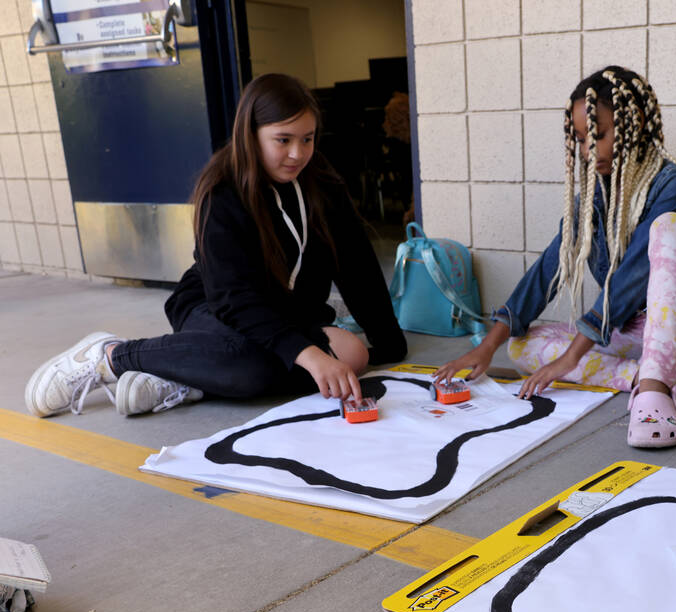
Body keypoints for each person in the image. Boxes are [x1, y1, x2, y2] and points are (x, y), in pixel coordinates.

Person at [25, 74, 406, 418]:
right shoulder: (222, 190)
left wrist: (389, 341)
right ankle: (111, 356)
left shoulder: (322, 182)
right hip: (216, 307)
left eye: (308, 139)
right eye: (283, 140)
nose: (298, 154)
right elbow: (233, 297)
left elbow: (356, 264)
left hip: (289, 313)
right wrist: (307, 354)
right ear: (251, 133)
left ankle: (184, 378)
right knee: (256, 364)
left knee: (353, 355)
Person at [433, 66, 676, 448]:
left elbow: (633, 275)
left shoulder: (672, 184)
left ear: (633, 124)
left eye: (599, 136)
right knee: (521, 347)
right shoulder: (594, 197)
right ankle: (641, 375)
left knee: (669, 227)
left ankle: (655, 391)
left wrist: (573, 357)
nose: (588, 151)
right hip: (635, 335)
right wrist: (487, 345)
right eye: (580, 141)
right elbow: (549, 267)